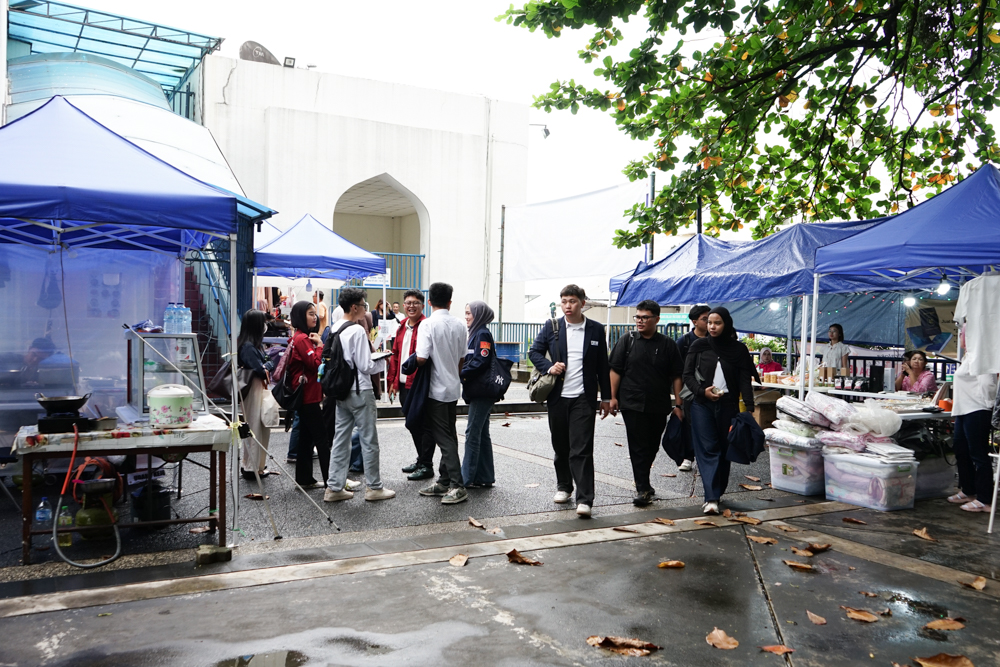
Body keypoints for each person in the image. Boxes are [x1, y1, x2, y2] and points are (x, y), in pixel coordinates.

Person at [529, 284, 612, 518]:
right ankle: (564, 486)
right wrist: (549, 366)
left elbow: (602, 367)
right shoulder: (552, 327)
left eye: (573, 301)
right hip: (557, 397)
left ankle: (585, 499)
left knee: (582, 449)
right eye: (564, 301)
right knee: (561, 446)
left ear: (582, 303)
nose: (568, 305)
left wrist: (605, 397)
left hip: (584, 398)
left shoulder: (596, 329)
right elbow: (534, 352)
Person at [608, 300, 684, 506]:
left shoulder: (668, 344)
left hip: (658, 403)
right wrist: (613, 397)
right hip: (631, 403)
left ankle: (644, 482)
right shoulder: (627, 340)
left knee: (652, 445)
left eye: (645, 317)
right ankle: (642, 487)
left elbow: (677, 376)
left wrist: (679, 404)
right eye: (638, 317)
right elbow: (615, 369)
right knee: (638, 445)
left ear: (656, 319)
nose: (640, 321)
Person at [683, 307, 756, 515]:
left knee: (724, 450)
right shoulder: (699, 346)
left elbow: (744, 379)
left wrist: (749, 407)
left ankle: (717, 491)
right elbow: (687, 375)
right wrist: (701, 392)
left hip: (728, 405)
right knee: (708, 449)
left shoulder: (738, 350)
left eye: (717, 323)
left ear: (727, 324)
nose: (712, 326)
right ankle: (711, 497)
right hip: (701, 405)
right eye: (709, 322)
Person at [324, 288, 394, 502]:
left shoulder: (334, 328)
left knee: (340, 439)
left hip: (341, 391)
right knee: (369, 440)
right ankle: (374, 487)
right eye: (363, 305)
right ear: (354, 307)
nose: (365, 309)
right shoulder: (355, 330)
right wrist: (383, 359)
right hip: (360, 390)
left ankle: (334, 488)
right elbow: (365, 365)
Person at [415, 282, 469, 505]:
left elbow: (421, 358)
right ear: (450, 301)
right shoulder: (459, 324)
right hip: (452, 387)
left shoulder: (427, 325)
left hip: (435, 389)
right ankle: (445, 480)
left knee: (443, 437)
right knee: (450, 434)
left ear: (429, 302)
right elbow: (462, 358)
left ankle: (457, 485)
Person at [387, 290, 437, 480]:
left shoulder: (426, 326)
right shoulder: (401, 326)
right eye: (408, 303)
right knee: (412, 423)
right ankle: (421, 460)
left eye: (415, 303)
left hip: (418, 383)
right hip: (403, 383)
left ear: (423, 305)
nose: (411, 306)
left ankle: (427, 465)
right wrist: (392, 381)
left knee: (422, 424)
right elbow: (396, 355)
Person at [947, 326, 997, 513]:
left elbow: (988, 384)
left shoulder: (982, 355)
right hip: (962, 410)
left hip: (977, 409)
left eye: (964, 333)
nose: (961, 336)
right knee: (961, 450)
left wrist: (988, 404)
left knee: (978, 454)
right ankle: (968, 490)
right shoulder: (968, 356)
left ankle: (985, 499)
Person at [285, 301, 329, 489]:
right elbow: (315, 363)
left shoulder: (298, 337)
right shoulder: (303, 339)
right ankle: (332, 482)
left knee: (306, 438)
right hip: (308, 395)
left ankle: (304, 479)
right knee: (322, 438)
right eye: (310, 313)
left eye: (315, 314)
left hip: (304, 393)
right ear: (300, 316)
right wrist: (320, 345)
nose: (315, 317)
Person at [460, 301, 498, 488]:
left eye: (470, 313)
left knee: (472, 432)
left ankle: (466, 478)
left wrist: (461, 371)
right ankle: (485, 476)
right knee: (482, 433)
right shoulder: (476, 332)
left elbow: (481, 360)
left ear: (479, 315)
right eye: (466, 313)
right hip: (480, 390)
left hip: (481, 391)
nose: (467, 317)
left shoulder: (481, 333)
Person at [670, 304, 711, 472]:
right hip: (689, 391)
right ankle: (688, 457)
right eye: (705, 319)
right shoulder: (684, 342)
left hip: (711, 389)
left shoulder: (715, 339)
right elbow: (677, 374)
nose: (709, 322)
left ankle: (706, 460)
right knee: (688, 423)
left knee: (708, 426)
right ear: (695, 321)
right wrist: (678, 402)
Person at [237, 309, 275, 480]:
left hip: (257, 388)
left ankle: (257, 465)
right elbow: (262, 368)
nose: (265, 326)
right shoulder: (248, 347)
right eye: (263, 323)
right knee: (254, 427)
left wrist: (267, 365)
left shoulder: (252, 345)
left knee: (260, 426)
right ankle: (251, 467)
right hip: (253, 389)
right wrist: (267, 366)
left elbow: (268, 363)